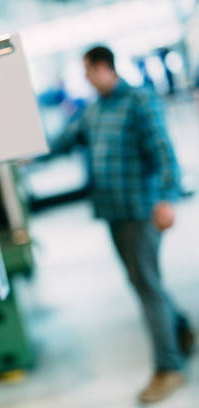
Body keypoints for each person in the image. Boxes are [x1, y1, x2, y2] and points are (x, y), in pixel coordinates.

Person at [53, 45, 194, 403]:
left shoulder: (139, 101)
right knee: (142, 279)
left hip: (140, 209)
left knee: (145, 283)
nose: (85, 79)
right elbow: (65, 141)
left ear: (103, 67)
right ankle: (181, 330)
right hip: (112, 211)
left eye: (87, 71)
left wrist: (167, 198)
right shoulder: (94, 110)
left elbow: (163, 151)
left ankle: (169, 368)